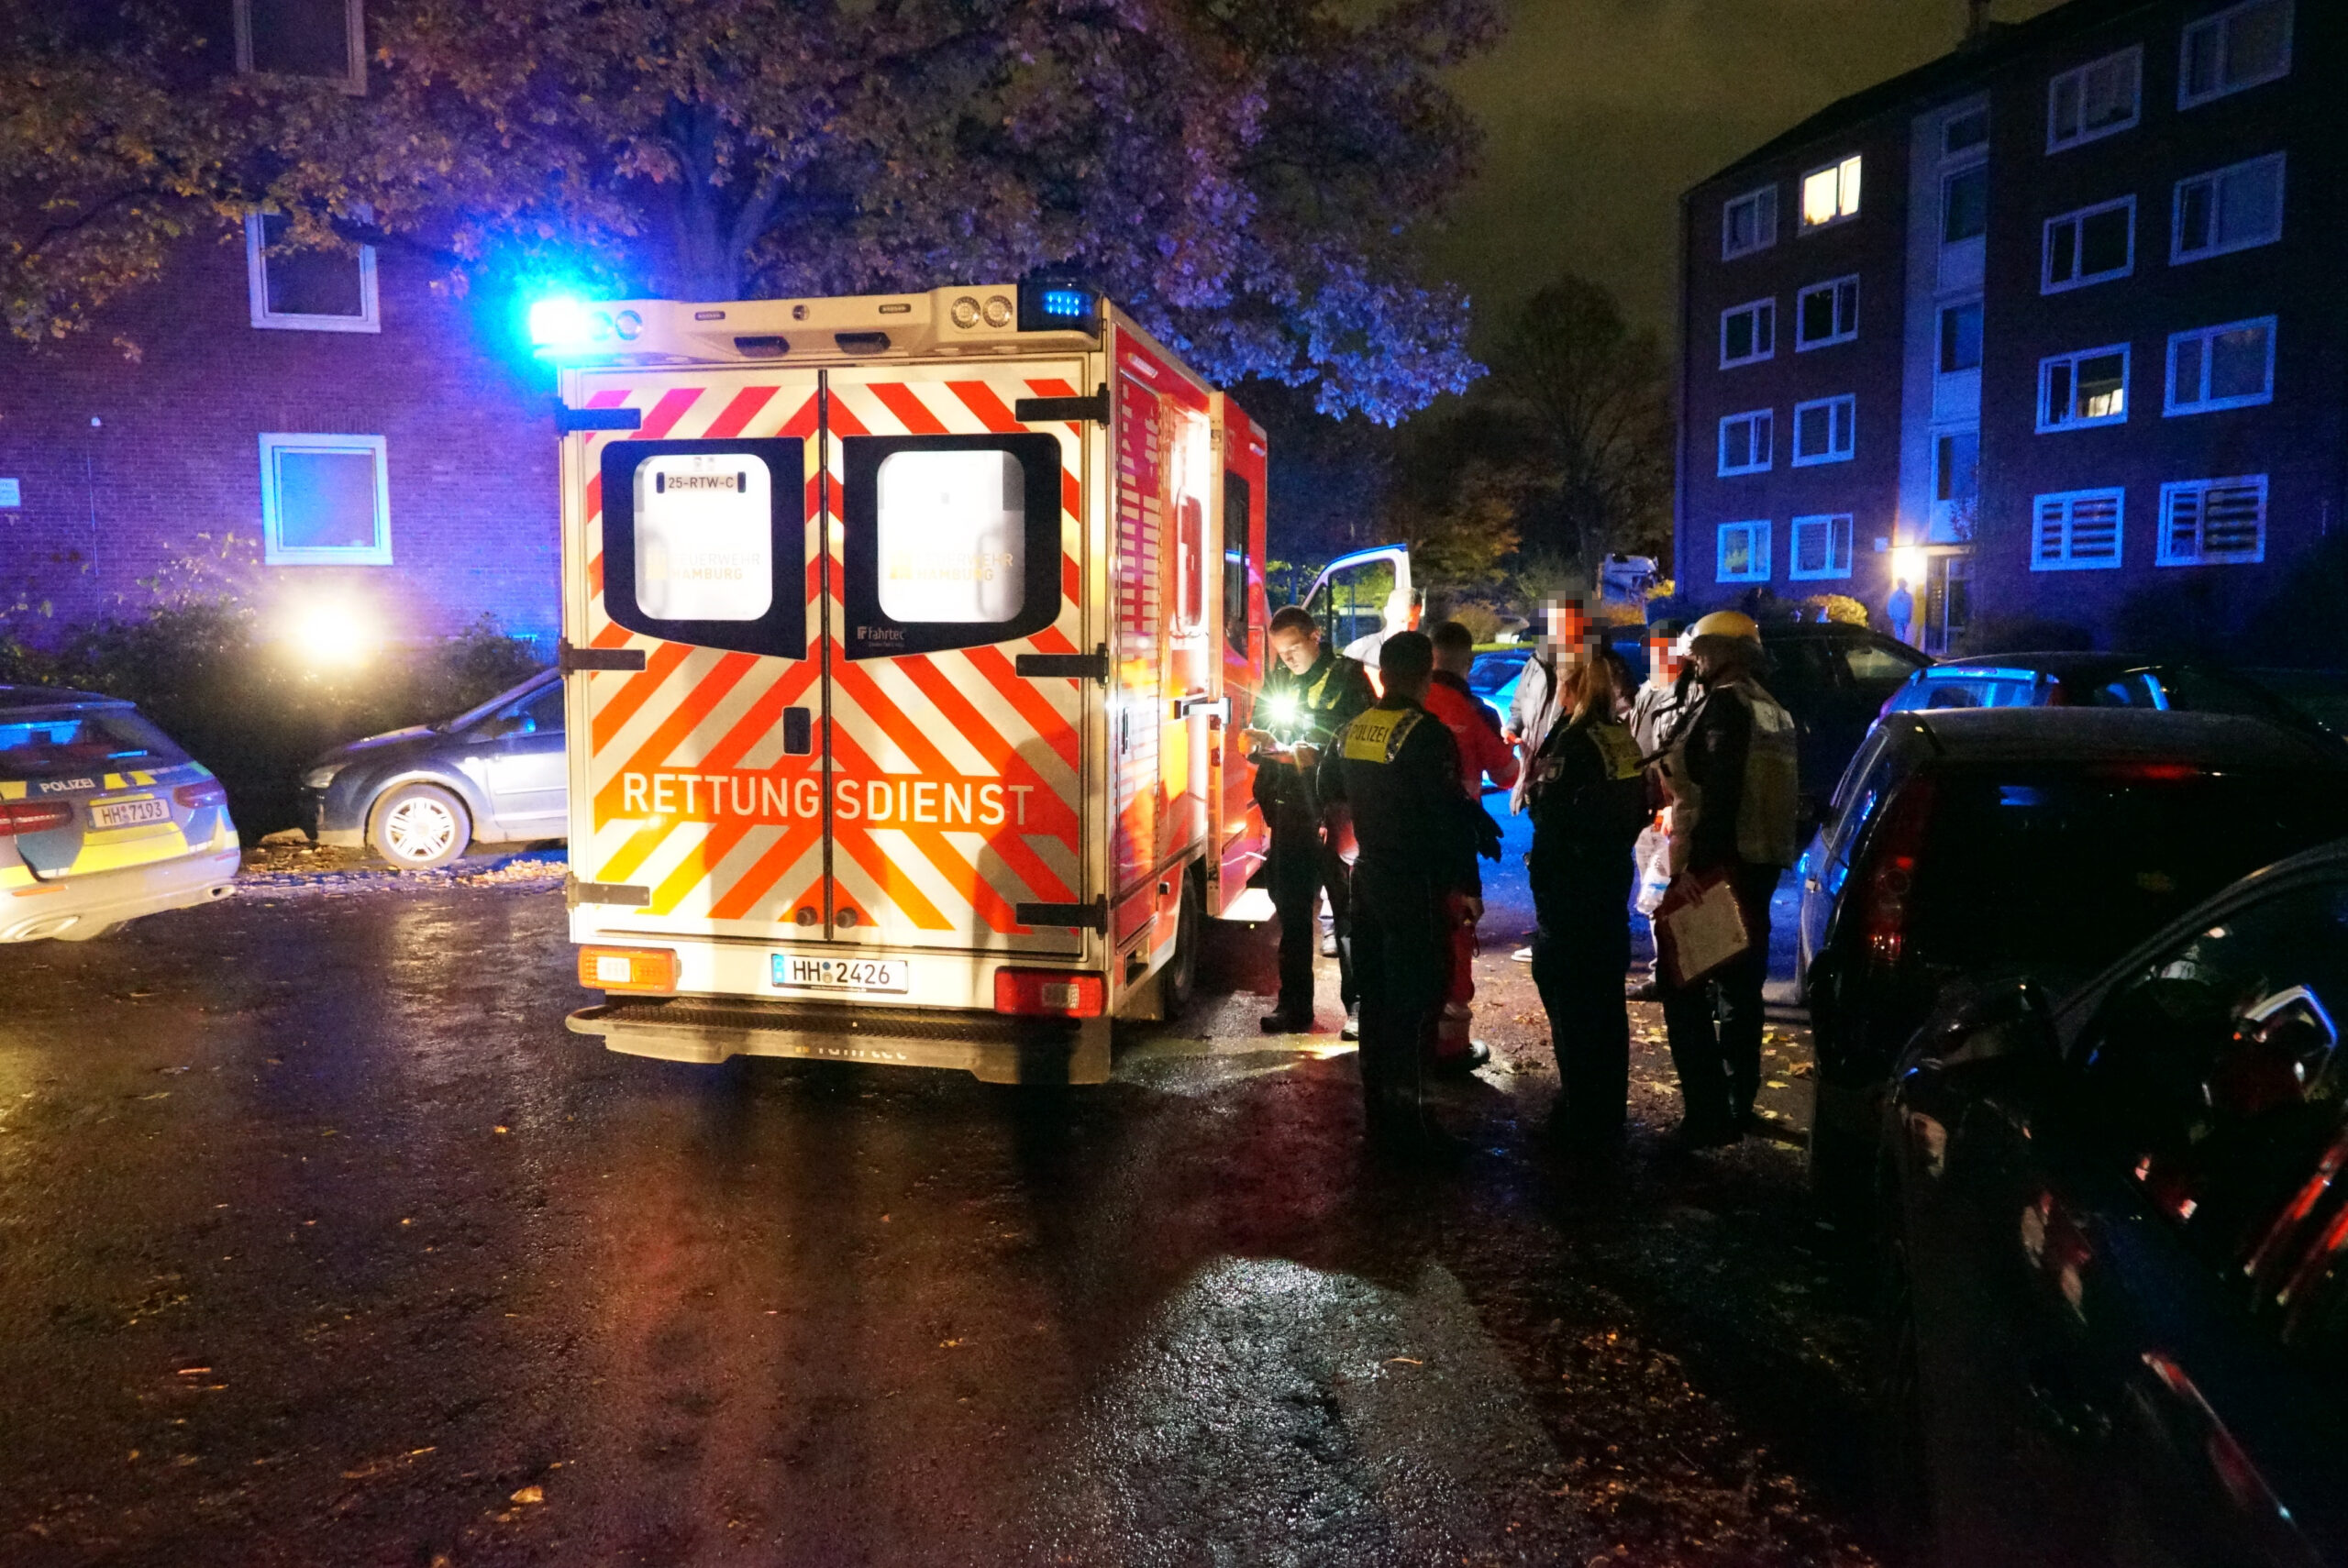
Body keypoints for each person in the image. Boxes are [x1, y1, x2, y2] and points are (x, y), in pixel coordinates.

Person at [1316, 631, 1487, 1145]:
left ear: (1383, 676)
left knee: (1378, 999)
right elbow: (1448, 817)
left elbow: (1328, 792)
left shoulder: (1350, 730)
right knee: (1418, 1003)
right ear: (1425, 675)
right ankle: (1413, 1122)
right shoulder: (1427, 733)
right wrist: (1467, 885)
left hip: (1366, 879)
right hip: (1415, 884)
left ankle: (1379, 1118)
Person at [1654, 610, 1799, 1148]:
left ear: (1724, 652)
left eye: (1702, 650)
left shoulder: (1725, 707)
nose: (1695, 659)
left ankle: (1708, 1111)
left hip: (1720, 864)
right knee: (1741, 987)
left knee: (1680, 982)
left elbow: (1719, 791)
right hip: (1760, 863)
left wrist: (1694, 870)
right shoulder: (1772, 708)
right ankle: (1741, 1100)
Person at [1523, 651, 1649, 1151]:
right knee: (1604, 1003)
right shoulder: (1620, 735)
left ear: (1571, 685)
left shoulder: (1572, 740)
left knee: (1570, 1001)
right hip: (1609, 883)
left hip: (1570, 889)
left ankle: (1580, 1113)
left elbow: (1547, 809)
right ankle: (1606, 1109)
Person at [1244, 605, 1375, 1034]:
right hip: (1288, 810)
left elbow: (1359, 735)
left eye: (1294, 648)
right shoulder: (1278, 678)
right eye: (1281, 652)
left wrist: (1317, 749)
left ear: (1316, 635)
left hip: (1333, 810)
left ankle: (1359, 1008)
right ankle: (1294, 1006)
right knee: (1293, 914)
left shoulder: (1347, 676)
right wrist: (1257, 738)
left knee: (1348, 913)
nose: (1288, 660)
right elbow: (1261, 723)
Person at [1421, 620, 1521, 1074]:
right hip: (1455, 842)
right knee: (1456, 932)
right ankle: (1450, 1047)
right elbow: (1506, 774)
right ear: (1469, 661)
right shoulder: (1475, 711)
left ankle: (1408, 1040)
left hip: (1396, 844)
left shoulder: (1403, 701)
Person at [1623, 624, 1692, 999]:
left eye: (1664, 650)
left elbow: (1677, 758)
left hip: (1666, 812)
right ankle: (1664, 971)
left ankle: (1678, 975)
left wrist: (1669, 805)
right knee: (1654, 897)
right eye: (1652, 650)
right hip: (1647, 809)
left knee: (1667, 893)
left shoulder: (1685, 696)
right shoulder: (1647, 691)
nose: (1658, 658)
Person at [1342, 588, 1416, 672]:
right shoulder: (1360, 654)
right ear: (1387, 613)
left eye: (1412, 623)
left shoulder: (1424, 655)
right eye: (1402, 621)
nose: (1406, 628)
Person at [1885, 578, 1915, 645]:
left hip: (1905, 619)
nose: (1903, 585)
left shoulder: (1908, 596)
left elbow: (1910, 606)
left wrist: (1909, 616)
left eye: (1904, 583)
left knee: (1903, 636)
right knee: (1900, 637)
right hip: (1898, 619)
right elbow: (1890, 606)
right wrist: (1892, 616)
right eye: (1902, 583)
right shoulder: (1895, 595)